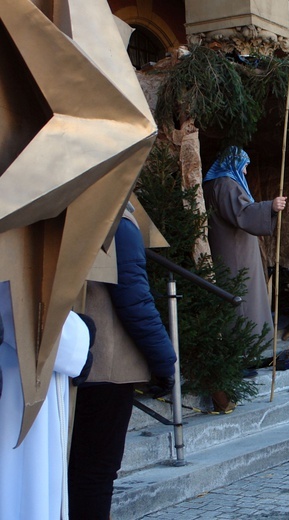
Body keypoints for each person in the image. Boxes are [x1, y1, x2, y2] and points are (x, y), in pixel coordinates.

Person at [68, 204, 178, 519]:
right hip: (106, 367)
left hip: (68, 359)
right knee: (94, 474)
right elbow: (135, 300)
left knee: (73, 470)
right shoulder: (116, 219)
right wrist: (164, 361)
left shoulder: (65, 208)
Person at [1, 308, 92, 519]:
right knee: (24, 485)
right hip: (19, 381)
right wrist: (80, 334)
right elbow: (21, 307)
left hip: (29, 375)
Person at [203, 146, 287, 338]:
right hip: (236, 252)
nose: (245, 171)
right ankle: (246, 347)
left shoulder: (213, 184)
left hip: (231, 247)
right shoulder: (225, 184)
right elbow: (242, 213)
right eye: (244, 166)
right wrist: (271, 207)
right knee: (244, 299)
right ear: (233, 163)